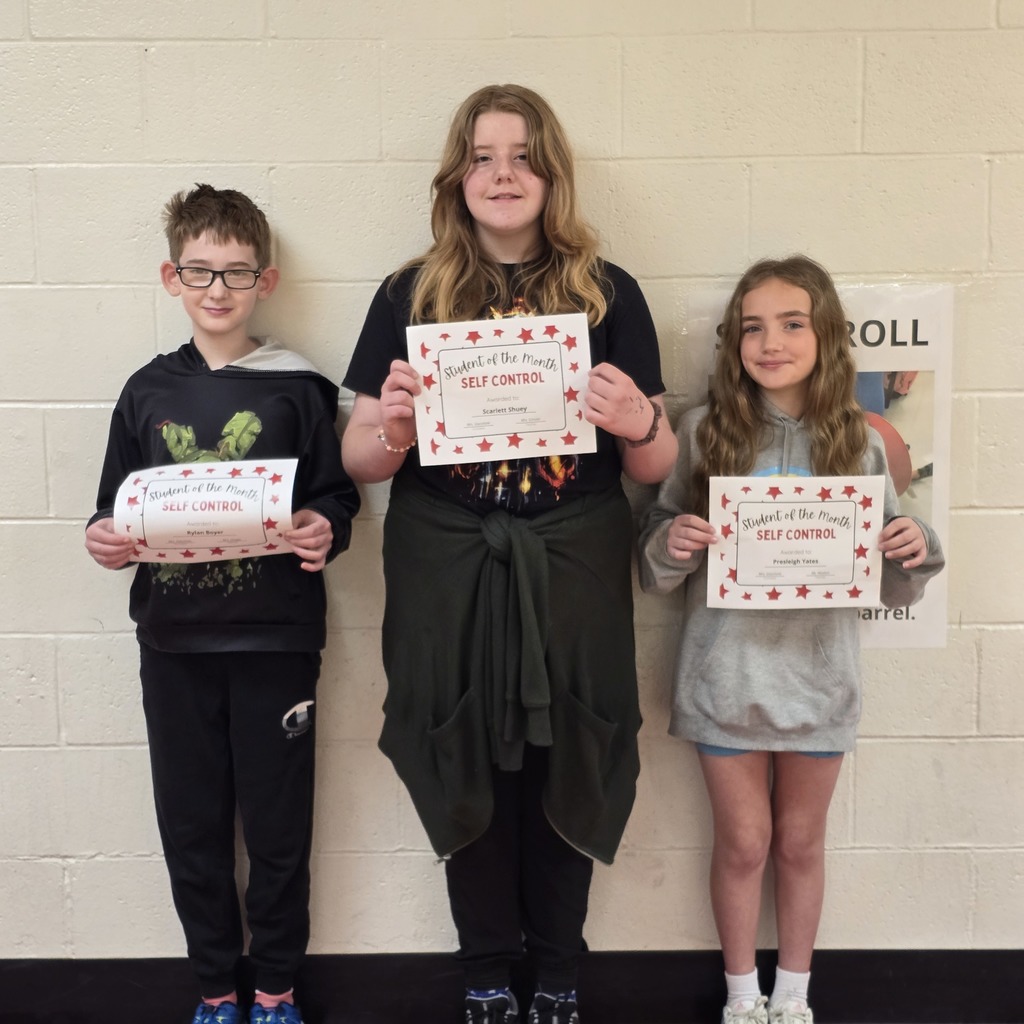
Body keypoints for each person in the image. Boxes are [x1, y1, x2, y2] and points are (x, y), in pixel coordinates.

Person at [341, 84, 677, 1024]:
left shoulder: (608, 291)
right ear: (457, 175)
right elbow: (360, 456)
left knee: (571, 742)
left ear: (551, 174)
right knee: (463, 747)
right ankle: (487, 969)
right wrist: (395, 424)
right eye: (484, 156)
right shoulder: (410, 292)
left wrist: (640, 419)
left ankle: (560, 973)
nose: (503, 173)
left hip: (572, 557)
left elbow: (655, 460)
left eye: (523, 156)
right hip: (446, 559)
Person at [638, 255, 944, 1024]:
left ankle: (795, 996)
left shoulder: (862, 443)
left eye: (792, 323)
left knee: (801, 846)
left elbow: (894, 574)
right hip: (724, 679)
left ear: (828, 334)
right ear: (732, 342)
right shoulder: (702, 434)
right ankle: (743, 996)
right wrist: (671, 544)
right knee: (743, 845)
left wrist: (914, 547)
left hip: (820, 679)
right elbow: (651, 560)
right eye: (752, 327)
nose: (770, 342)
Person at [85, 184, 361, 1024]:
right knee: (193, 826)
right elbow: (111, 512)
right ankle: (214, 989)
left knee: (278, 828)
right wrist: (104, 539)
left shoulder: (301, 390)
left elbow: (335, 502)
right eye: (200, 272)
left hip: (277, 641)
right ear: (172, 277)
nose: (217, 290)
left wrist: (324, 530)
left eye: (235, 274)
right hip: (172, 643)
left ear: (265, 282)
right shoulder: (144, 392)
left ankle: (274, 988)